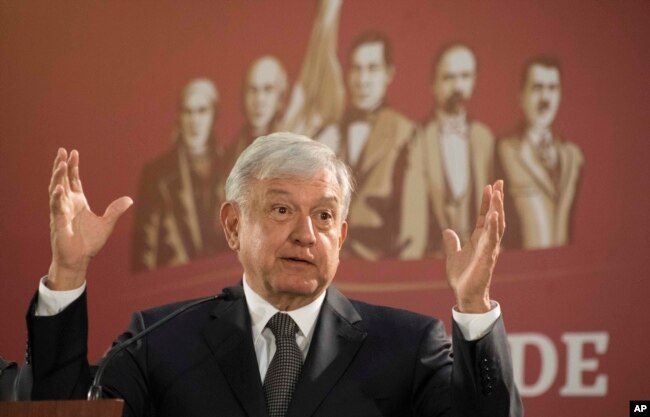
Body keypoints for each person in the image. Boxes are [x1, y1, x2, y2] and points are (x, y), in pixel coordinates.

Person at [26, 133, 522, 416]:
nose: (307, 234)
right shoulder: (159, 341)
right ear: (233, 225)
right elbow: (61, 415)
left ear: (342, 235)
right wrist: (68, 271)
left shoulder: (407, 346)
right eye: (281, 210)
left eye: (324, 216)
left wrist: (474, 306)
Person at [318, 32, 418, 261]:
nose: (362, 80)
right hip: (330, 263)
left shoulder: (406, 132)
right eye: (356, 68)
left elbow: (412, 227)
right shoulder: (329, 134)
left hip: (381, 266)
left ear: (388, 74)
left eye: (372, 68)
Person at [401, 44, 495, 259]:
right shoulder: (419, 140)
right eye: (449, 78)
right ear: (433, 84)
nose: (458, 86)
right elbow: (412, 222)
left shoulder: (485, 139)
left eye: (465, 76)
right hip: (434, 263)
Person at [130, 78, 231, 272]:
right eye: (188, 112)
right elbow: (145, 251)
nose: (195, 120)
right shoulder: (156, 174)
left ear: (214, 115)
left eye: (202, 111)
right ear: (179, 117)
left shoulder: (233, 164)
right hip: (175, 289)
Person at [228, 0, 344, 164]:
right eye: (252, 90)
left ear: (280, 98)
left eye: (267, 90)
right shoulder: (231, 152)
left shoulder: (294, 139)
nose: (259, 100)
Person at [497, 57, 584, 249]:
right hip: (523, 269)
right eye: (537, 88)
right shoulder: (504, 151)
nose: (545, 98)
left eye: (552, 88)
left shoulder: (573, 156)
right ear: (521, 96)